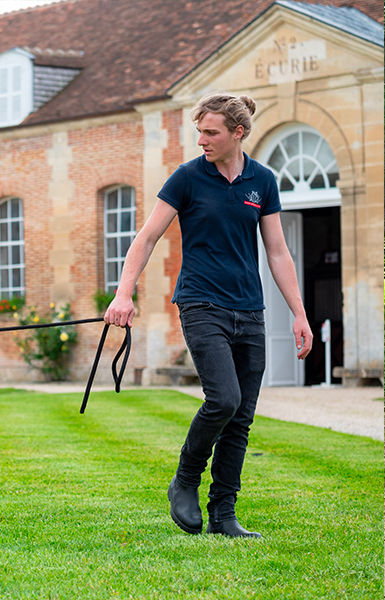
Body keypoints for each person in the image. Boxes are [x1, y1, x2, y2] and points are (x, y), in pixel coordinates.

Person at [104, 92, 312, 538]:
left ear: (238, 133)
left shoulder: (263, 181)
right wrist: (123, 294)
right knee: (224, 399)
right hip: (201, 303)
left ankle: (223, 515)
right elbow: (146, 238)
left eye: (211, 132)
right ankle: (185, 479)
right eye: (199, 131)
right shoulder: (187, 178)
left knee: (241, 416)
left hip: (250, 311)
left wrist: (299, 313)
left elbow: (278, 253)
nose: (201, 139)